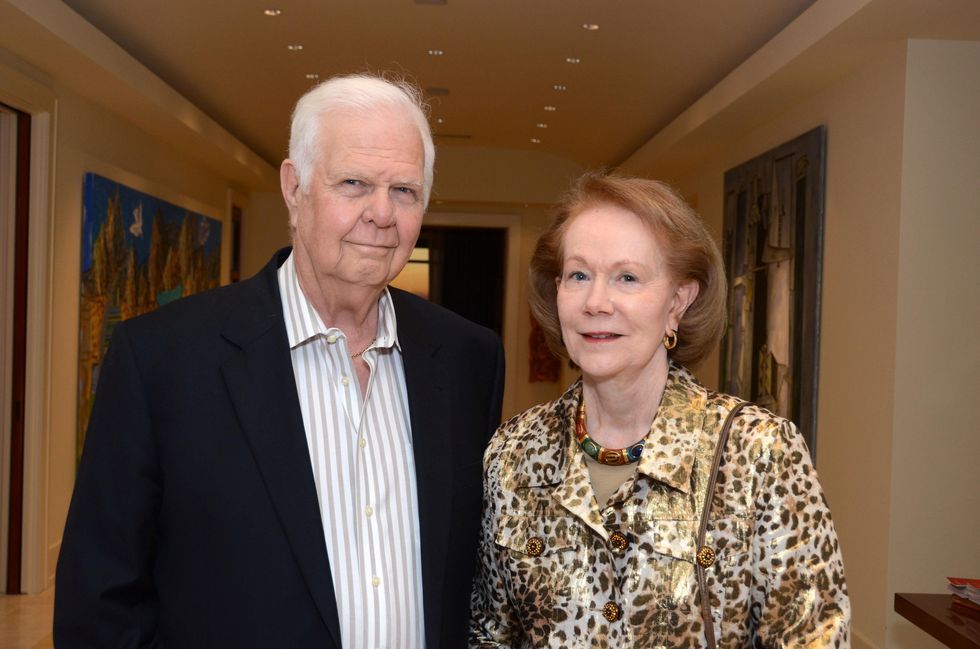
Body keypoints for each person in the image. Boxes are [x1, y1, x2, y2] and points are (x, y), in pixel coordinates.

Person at [55, 73, 505, 649]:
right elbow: (100, 603)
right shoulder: (163, 361)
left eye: (404, 191)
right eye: (353, 183)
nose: (381, 214)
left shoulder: (469, 359)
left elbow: (478, 587)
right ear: (294, 188)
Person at [469, 172, 849, 647]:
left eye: (627, 277)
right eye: (579, 275)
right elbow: (488, 634)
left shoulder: (760, 452)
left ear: (678, 301)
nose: (596, 302)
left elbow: (812, 636)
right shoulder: (512, 454)